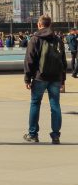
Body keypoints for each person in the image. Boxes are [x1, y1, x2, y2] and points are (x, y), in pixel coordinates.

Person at [23, 15, 67, 144]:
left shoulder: (35, 39)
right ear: (50, 24)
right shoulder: (58, 39)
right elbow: (63, 61)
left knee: (35, 103)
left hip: (40, 77)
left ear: (39, 24)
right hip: (55, 77)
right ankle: (55, 135)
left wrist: (27, 79)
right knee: (55, 106)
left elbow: (29, 60)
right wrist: (62, 79)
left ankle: (33, 134)